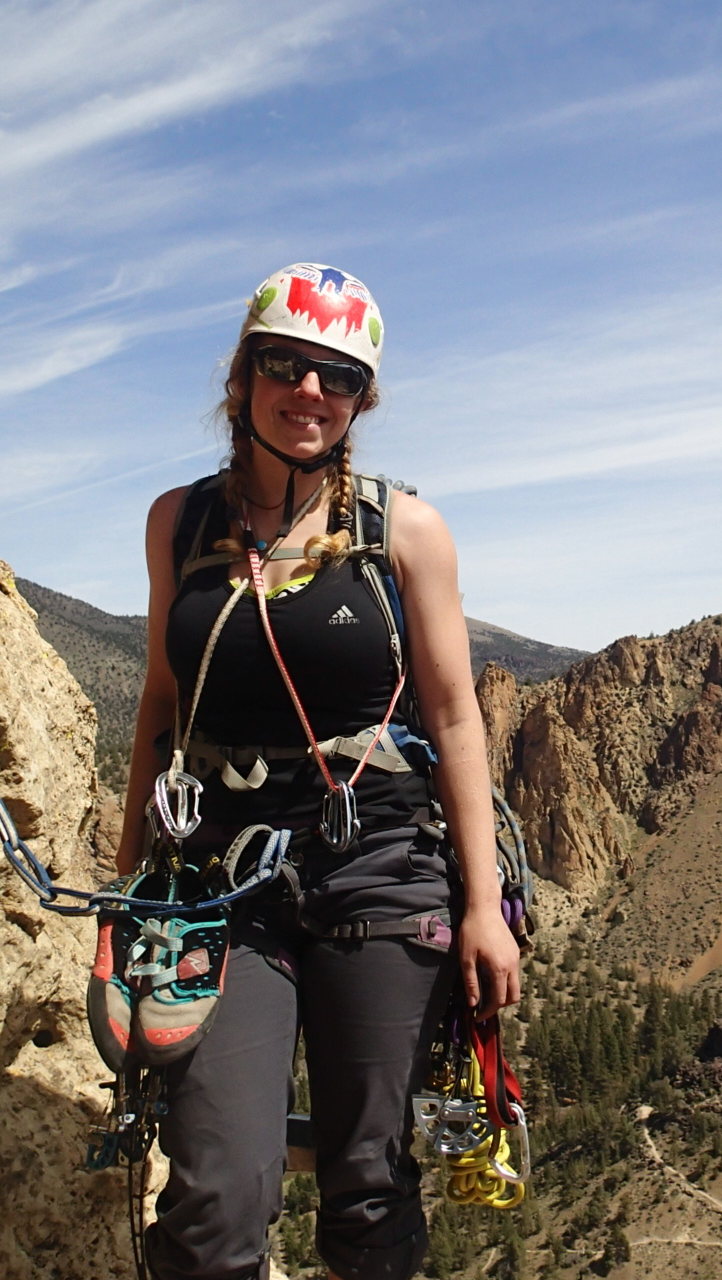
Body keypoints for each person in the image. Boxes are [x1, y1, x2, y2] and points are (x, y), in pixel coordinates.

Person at [116, 263, 522, 1280]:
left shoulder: (405, 532)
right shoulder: (180, 523)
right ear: (242, 376)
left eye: (339, 376)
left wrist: (483, 904)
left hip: (380, 866)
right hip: (223, 881)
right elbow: (162, 706)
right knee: (215, 1192)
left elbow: (455, 717)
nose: (310, 391)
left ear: (361, 400)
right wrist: (127, 887)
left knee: (372, 1186)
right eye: (285, 364)